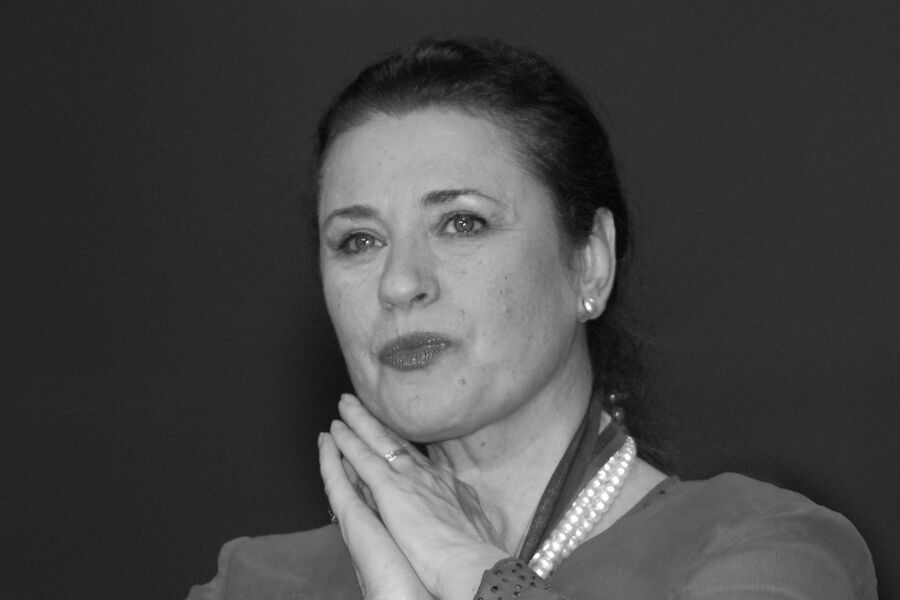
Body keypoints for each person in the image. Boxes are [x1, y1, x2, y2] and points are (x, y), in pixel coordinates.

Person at [186, 37, 876, 600]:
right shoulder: (256, 583)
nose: (398, 283)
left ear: (589, 264)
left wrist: (464, 565)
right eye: (358, 241)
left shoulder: (769, 547)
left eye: (462, 223)